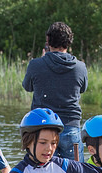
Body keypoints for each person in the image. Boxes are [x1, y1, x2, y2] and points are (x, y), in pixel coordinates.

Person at [22, 22, 88, 161]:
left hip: (42, 128)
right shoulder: (80, 67)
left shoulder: (36, 64)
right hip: (71, 126)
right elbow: (82, 89)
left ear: (48, 41)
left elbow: (27, 87)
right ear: (69, 42)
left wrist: (43, 59)